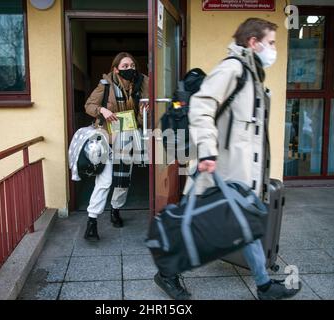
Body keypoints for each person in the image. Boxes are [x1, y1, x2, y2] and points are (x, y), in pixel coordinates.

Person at [153, 18, 302, 300]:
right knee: (195, 226)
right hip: (217, 168)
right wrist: (208, 150)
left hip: (239, 174)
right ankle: (167, 273)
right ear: (253, 42)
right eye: (270, 43)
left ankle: (264, 285)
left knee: (248, 227)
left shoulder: (254, 77)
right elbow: (201, 106)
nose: (273, 49)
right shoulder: (233, 69)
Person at [83, 52, 149, 241]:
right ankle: (92, 221)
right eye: (125, 66)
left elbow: (144, 115)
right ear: (116, 69)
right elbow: (89, 105)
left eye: (132, 66)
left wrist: (145, 112)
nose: (129, 69)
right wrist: (102, 109)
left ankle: (115, 210)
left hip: (128, 137)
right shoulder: (106, 85)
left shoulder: (142, 84)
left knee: (123, 179)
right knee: (104, 181)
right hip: (108, 138)